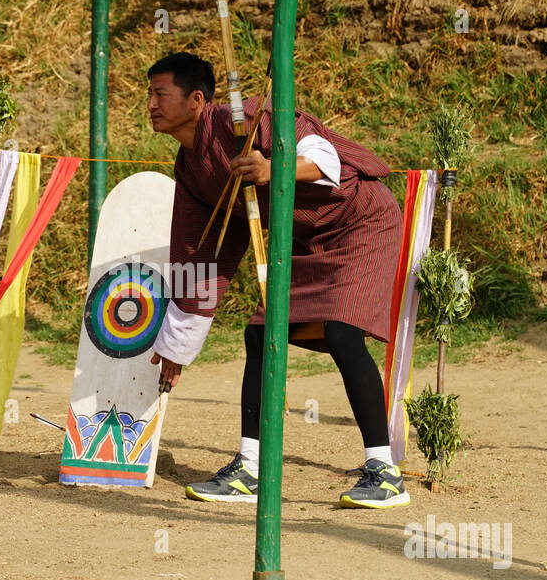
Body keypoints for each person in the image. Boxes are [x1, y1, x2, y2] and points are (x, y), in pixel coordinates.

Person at [146, 52, 407, 509]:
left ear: (196, 100)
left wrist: (272, 167)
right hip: (303, 237)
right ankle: (250, 467)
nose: (149, 103)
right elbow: (199, 252)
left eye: (159, 94)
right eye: (148, 94)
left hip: (360, 220)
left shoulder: (245, 119)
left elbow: (323, 157)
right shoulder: (190, 168)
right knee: (259, 332)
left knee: (342, 334)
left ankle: (384, 471)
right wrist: (178, 343)